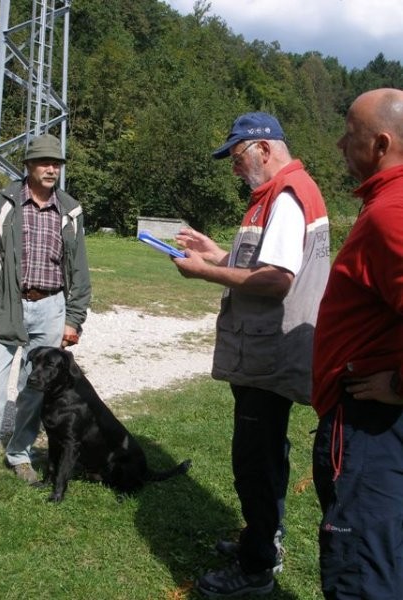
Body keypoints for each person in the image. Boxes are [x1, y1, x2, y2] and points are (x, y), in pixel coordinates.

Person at [172, 112, 330, 596]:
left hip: (267, 355)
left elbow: (276, 279)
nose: (235, 169)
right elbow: (265, 262)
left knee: (255, 461)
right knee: (268, 453)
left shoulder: (283, 197)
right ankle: (267, 534)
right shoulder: (287, 191)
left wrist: (204, 273)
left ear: (263, 149)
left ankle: (257, 564)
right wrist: (217, 252)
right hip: (273, 351)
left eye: (238, 157)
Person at [0, 133, 91, 498]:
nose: (51, 169)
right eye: (44, 162)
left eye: (56, 163)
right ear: (28, 166)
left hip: (51, 308)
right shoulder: (2, 203)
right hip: (5, 307)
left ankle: (20, 454)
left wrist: (73, 318)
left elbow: (79, 270)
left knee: (34, 390)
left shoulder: (70, 210)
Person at [312, 88, 403, 599]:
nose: (341, 142)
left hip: (370, 428)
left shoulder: (392, 213)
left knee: (361, 571)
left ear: (381, 143)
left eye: (351, 132)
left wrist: (399, 383)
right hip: (372, 426)